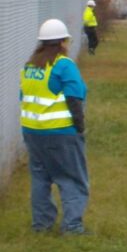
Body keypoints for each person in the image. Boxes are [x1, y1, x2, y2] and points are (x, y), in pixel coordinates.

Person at [20, 19, 89, 234]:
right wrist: (79, 126)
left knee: (40, 178)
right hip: (60, 132)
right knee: (71, 178)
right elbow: (74, 97)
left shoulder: (30, 66)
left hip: (32, 132)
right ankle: (72, 226)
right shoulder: (63, 65)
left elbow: (24, 96)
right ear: (62, 42)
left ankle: (41, 225)